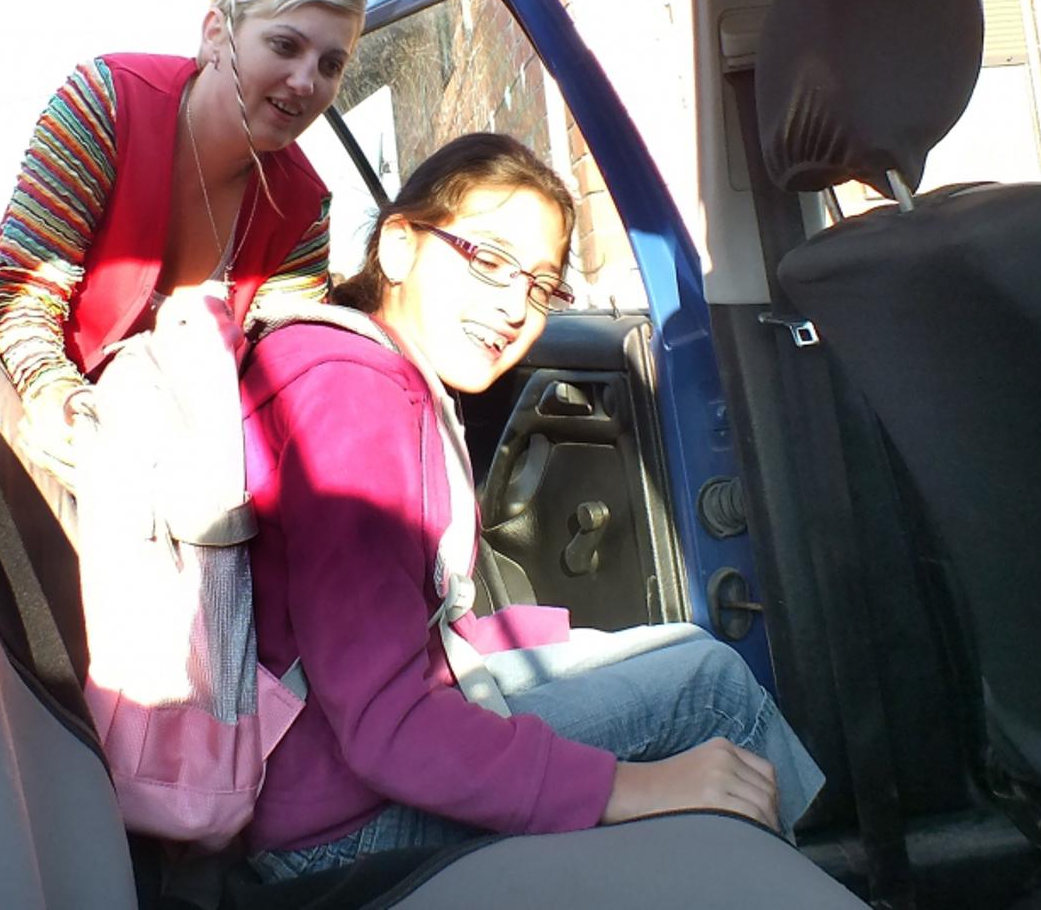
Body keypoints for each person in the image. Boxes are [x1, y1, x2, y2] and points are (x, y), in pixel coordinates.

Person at [239, 133, 825, 880]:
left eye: (542, 285)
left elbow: (393, 636)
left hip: (340, 759)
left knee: (684, 646)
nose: (516, 306)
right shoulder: (356, 402)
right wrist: (629, 788)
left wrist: (555, 641)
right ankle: (805, 882)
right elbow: (389, 726)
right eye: (488, 259)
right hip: (336, 826)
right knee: (712, 690)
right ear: (398, 246)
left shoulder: (360, 368)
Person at [0, 0, 367, 484]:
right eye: (284, 45)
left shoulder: (303, 208)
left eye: (330, 65)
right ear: (216, 34)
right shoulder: (108, 102)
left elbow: (281, 376)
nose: (305, 81)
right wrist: (57, 397)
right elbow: (18, 292)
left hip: (150, 472)